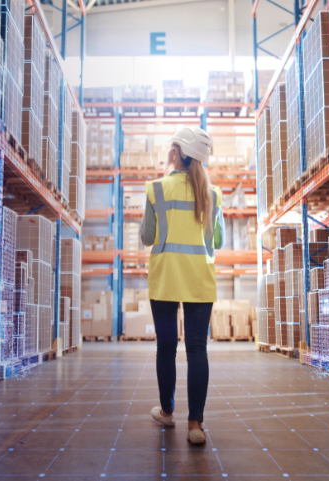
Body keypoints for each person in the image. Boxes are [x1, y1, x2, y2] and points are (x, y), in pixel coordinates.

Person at [139, 127, 225, 445]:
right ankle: (195, 426)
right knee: (197, 349)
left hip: (164, 279)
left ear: (177, 153)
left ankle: (167, 412)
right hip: (200, 281)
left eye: (171, 148)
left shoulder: (156, 189)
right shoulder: (213, 195)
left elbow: (148, 237)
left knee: (166, 348)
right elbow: (218, 241)